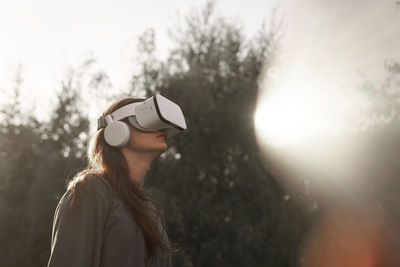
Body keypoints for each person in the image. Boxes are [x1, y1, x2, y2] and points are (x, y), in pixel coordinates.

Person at [47, 96, 183, 267]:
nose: (161, 128)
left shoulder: (149, 210)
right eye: (146, 119)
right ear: (116, 130)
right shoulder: (92, 189)